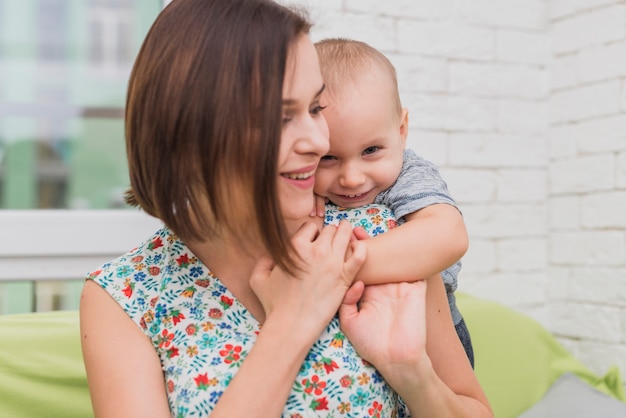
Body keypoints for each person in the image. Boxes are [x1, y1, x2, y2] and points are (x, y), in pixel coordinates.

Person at [79, 0, 493, 417]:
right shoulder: (125, 296)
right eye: (280, 118)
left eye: (315, 109)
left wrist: (410, 371)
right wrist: (292, 322)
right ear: (191, 134)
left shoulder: (384, 234)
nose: (318, 141)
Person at [313, 38, 474, 367]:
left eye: (370, 151)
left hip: (431, 335)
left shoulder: (409, 174)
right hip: (356, 335)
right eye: (328, 157)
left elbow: (448, 235)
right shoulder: (303, 183)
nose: (352, 178)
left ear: (401, 131)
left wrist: (337, 267)